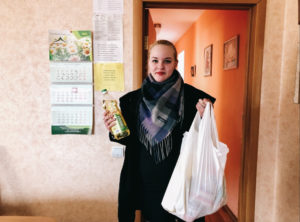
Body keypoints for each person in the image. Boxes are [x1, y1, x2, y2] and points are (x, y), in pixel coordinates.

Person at [103, 40, 215, 222]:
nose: (160, 66)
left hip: (182, 179)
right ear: (148, 63)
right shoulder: (131, 101)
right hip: (145, 180)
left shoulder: (194, 98)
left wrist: (205, 117)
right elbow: (128, 138)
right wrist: (113, 128)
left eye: (167, 61)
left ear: (176, 63)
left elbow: (203, 139)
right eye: (155, 61)